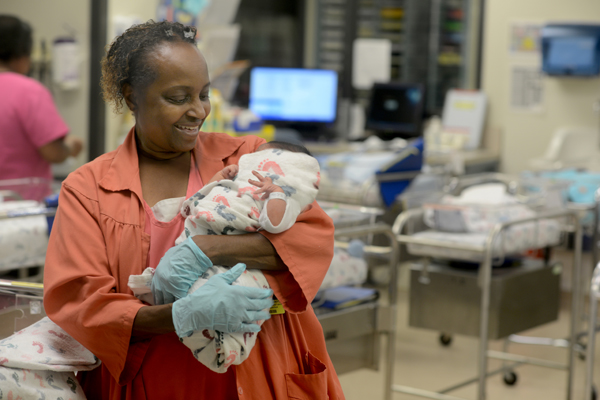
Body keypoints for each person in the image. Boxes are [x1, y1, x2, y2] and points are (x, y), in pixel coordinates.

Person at [43, 19, 344, 400]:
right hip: (154, 379)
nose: (198, 111)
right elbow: (81, 305)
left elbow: (311, 238)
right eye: (178, 97)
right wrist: (181, 315)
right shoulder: (89, 190)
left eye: (203, 94)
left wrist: (205, 250)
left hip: (259, 370)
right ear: (132, 96)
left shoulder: (251, 157)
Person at [128, 141, 320, 373]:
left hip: (236, 264)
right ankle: (168, 301)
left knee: (227, 294)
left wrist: (277, 194)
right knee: (189, 293)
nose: (197, 109)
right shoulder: (238, 176)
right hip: (196, 236)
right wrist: (220, 179)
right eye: (176, 100)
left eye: (203, 100)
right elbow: (206, 197)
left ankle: (219, 346)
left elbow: (281, 227)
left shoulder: (281, 191)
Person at [0, 15, 83, 192]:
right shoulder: (29, 91)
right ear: (22, 53)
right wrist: (71, 146)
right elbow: (53, 152)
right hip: (21, 207)